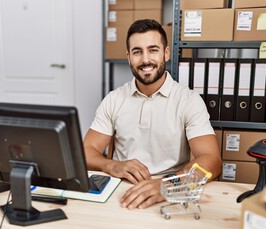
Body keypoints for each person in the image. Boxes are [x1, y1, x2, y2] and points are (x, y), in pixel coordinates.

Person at [83, 19, 221, 210]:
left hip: (170, 192)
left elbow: (211, 159)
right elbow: (86, 151)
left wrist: (169, 185)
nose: (145, 59)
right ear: (129, 57)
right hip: (121, 193)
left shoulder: (189, 100)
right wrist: (112, 166)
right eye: (137, 52)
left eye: (153, 50)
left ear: (165, 53)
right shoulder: (114, 99)